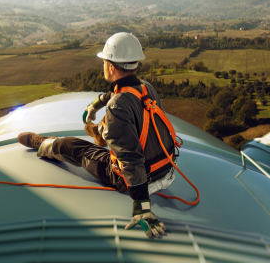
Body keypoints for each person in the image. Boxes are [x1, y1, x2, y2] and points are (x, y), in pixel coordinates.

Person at [17, 32, 177, 238]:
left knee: (71, 146)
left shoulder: (117, 106)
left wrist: (142, 206)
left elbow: (130, 158)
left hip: (138, 180)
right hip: (166, 171)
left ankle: (43, 143)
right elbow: (120, 93)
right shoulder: (146, 87)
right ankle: (100, 132)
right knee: (115, 124)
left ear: (110, 66)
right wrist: (96, 104)